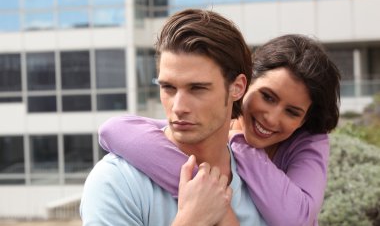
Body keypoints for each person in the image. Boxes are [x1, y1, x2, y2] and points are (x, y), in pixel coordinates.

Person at [99, 34, 341, 226]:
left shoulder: (309, 142)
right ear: (243, 84)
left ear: (305, 119)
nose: (271, 117)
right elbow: (114, 130)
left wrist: (240, 146)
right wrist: (212, 200)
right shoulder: (207, 130)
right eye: (267, 97)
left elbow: (296, 219)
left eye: (292, 112)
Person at [80, 8, 267, 226]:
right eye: (168, 87)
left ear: (237, 87)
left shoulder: (262, 182)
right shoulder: (116, 181)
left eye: (197, 88)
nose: (178, 107)